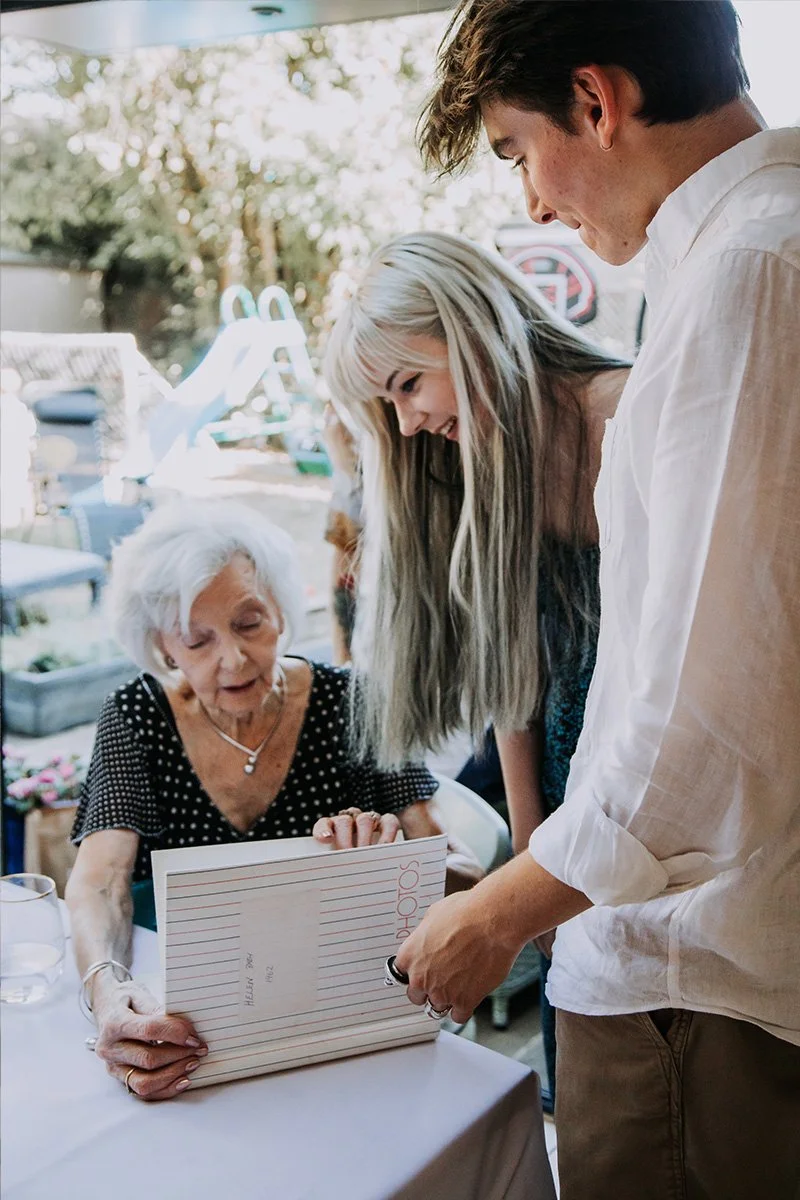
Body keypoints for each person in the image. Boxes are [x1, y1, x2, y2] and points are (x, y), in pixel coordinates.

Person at [377, 4, 799, 1198]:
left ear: (596, 101)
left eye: (516, 150)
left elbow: (704, 736)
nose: (530, 201)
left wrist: (496, 914)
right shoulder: (737, 263)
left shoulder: (750, 277)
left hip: (691, 989)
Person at [323, 227, 630, 1088]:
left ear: (470, 324)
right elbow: (513, 679)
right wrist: (530, 848)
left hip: (654, 811)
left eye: (409, 385)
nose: (413, 422)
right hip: (573, 837)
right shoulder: (490, 460)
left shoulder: (636, 421)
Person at [66, 499, 482, 1102]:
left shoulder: (355, 701)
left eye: (249, 622)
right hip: (199, 1038)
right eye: (197, 639)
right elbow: (100, 882)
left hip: (346, 1025)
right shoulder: (136, 717)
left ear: (283, 610)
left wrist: (391, 866)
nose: (231, 659)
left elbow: (467, 879)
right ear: (162, 646)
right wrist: (107, 990)